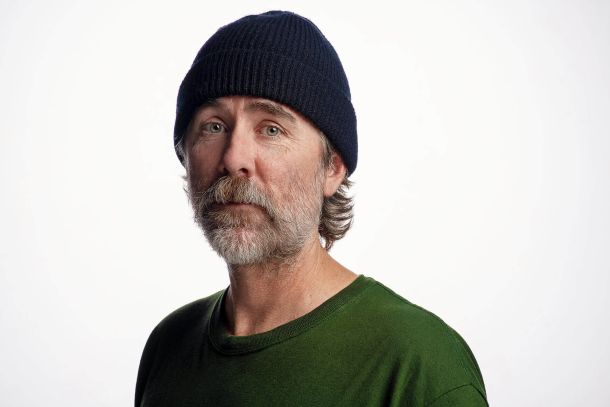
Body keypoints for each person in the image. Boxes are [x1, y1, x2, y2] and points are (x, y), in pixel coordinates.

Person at [135, 10, 488, 407]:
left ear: (332, 168)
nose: (234, 158)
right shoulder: (168, 345)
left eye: (271, 129)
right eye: (213, 126)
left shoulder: (418, 364)